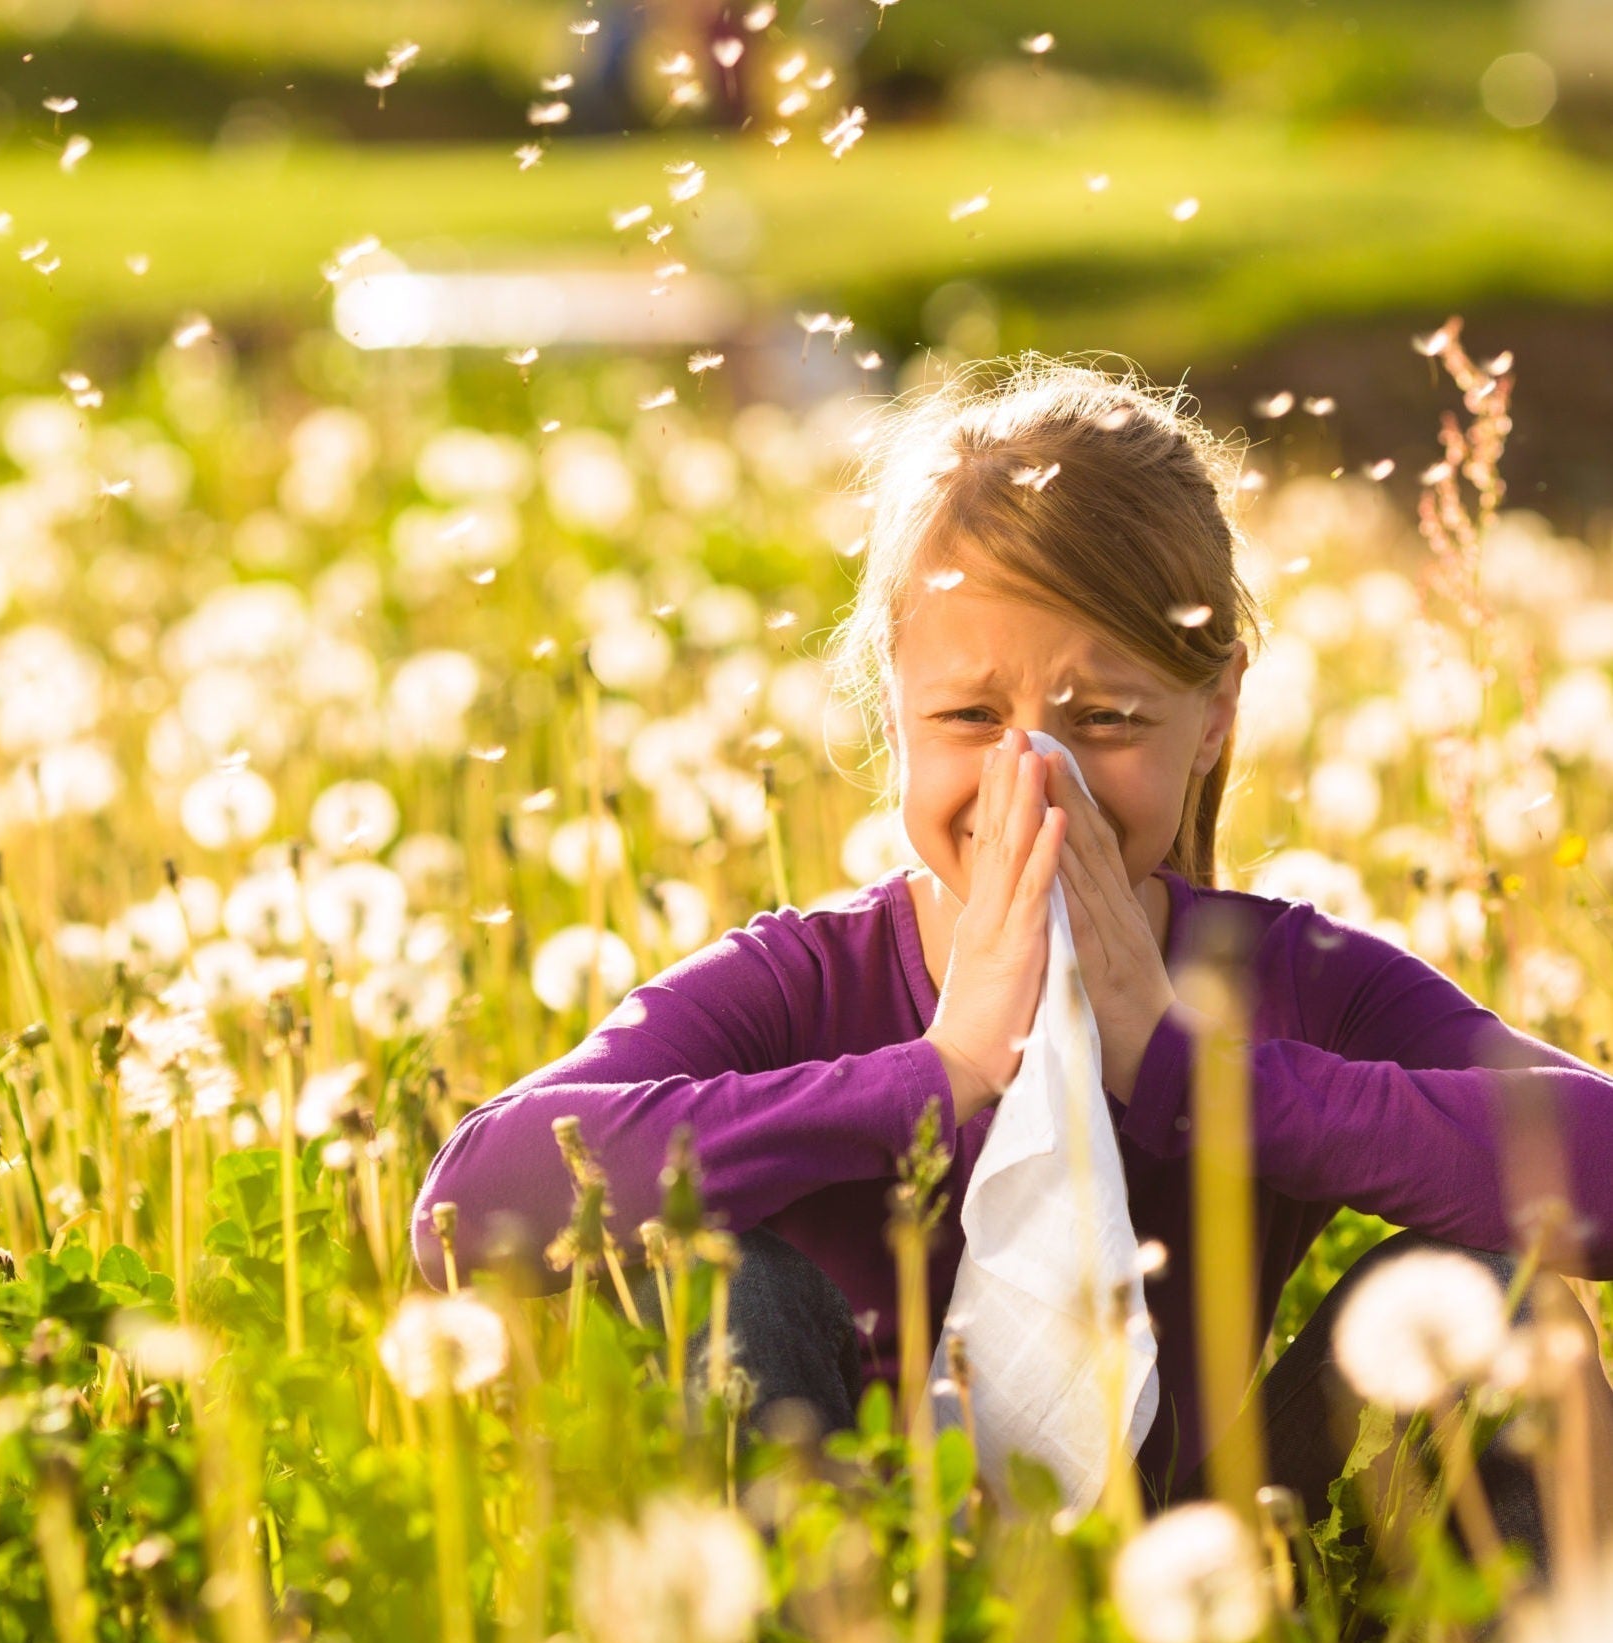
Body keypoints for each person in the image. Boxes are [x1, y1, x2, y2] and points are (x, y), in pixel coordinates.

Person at [411, 355, 1613, 1569]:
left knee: (1505, 1291)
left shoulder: (1284, 978)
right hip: (842, 1549)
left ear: (1213, 717)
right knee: (719, 1280)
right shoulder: (800, 982)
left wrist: (1204, 1079)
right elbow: (467, 1208)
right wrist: (936, 1074)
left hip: (1196, 1552)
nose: (1033, 777)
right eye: (969, 718)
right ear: (892, 704)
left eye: (1105, 720)